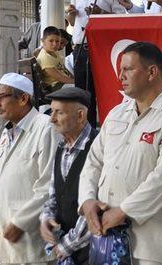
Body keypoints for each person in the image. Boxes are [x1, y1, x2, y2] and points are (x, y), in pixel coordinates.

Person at [78, 42, 162, 265]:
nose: (120, 76)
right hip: (107, 238)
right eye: (120, 69)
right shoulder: (117, 113)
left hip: (152, 245)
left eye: (128, 69)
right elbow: (94, 162)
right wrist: (87, 200)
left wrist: (123, 211)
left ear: (152, 72)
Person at [0, 73, 58, 265]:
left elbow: (49, 184)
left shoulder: (45, 128)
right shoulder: (6, 132)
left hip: (31, 234)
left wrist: (21, 222)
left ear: (23, 98)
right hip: (4, 233)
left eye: (2, 97)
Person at [40, 87, 98, 265]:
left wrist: (66, 245)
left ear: (80, 116)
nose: (52, 119)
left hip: (92, 251)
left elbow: (96, 206)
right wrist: (46, 218)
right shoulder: (61, 148)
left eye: (59, 113)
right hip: (68, 251)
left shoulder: (98, 147)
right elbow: (54, 194)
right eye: (51, 112)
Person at [67, 0, 126, 126]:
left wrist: (102, 13)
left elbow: (121, 20)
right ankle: (84, 128)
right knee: (81, 92)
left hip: (101, 48)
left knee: (100, 90)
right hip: (80, 47)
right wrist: (71, 14)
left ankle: (104, 128)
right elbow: (72, 23)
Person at [37, 26, 74, 93]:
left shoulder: (55, 53)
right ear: (43, 41)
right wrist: (76, 82)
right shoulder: (45, 57)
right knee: (79, 88)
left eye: (57, 41)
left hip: (62, 84)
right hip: (54, 87)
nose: (55, 44)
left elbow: (64, 70)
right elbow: (59, 77)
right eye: (51, 41)